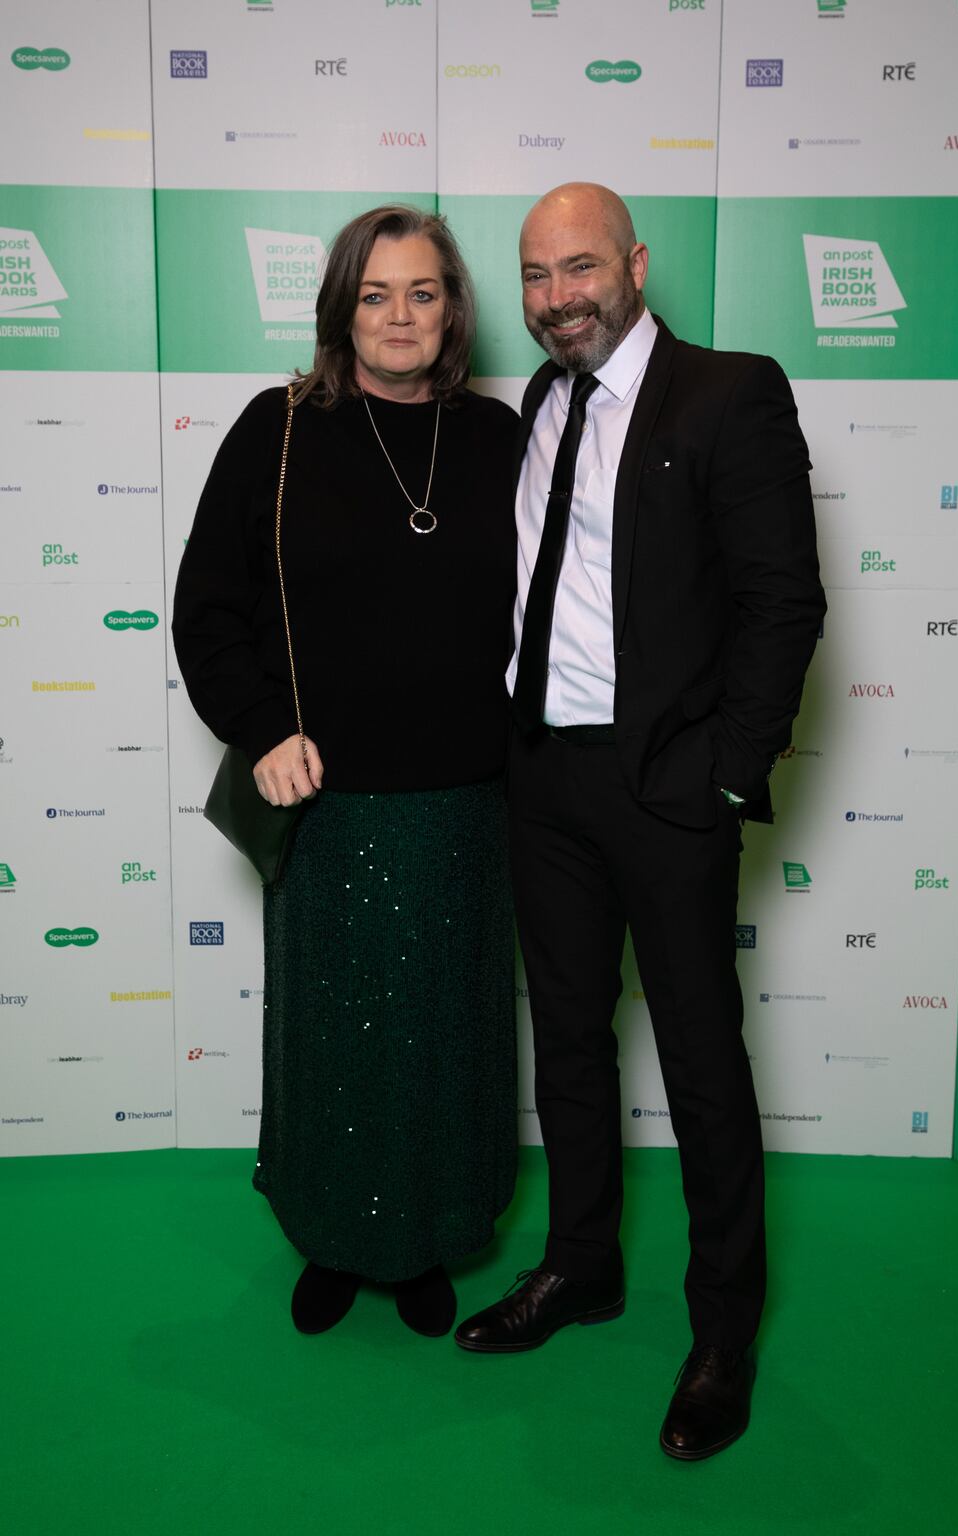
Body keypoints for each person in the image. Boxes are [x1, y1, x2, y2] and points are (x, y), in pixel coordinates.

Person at [453, 183, 826, 1460]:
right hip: (542, 780)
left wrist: (723, 779)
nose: (557, 298)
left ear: (634, 263)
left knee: (701, 1064)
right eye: (536, 276)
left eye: (579, 269)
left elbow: (784, 605)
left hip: (668, 791)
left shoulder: (730, 393)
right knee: (565, 1041)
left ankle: (721, 1331)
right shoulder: (535, 407)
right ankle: (581, 1267)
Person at [172, 205, 519, 1340]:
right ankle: (331, 1234)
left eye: (422, 293)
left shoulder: (498, 437)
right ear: (340, 310)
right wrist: (262, 727)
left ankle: (421, 1239)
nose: (399, 315)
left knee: (442, 1032)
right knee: (332, 1036)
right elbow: (206, 610)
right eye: (375, 295)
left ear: (453, 311)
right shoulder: (275, 429)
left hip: (470, 801)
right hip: (322, 804)